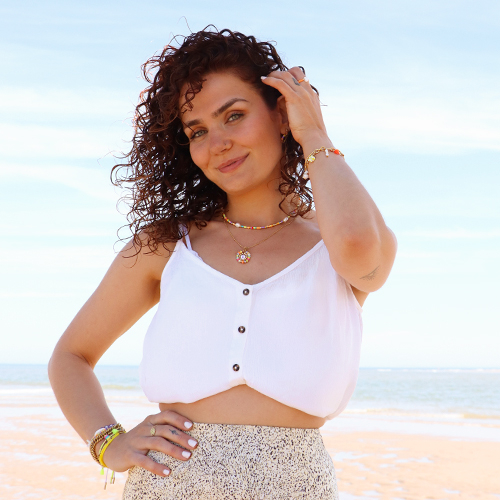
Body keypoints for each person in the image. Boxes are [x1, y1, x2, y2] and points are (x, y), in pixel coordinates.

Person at [48, 27, 397, 499]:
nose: (218, 143)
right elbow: (70, 357)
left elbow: (360, 249)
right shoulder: (166, 246)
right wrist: (108, 443)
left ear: (281, 115)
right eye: (198, 131)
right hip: (167, 487)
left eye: (234, 116)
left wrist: (314, 133)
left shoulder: (333, 241)